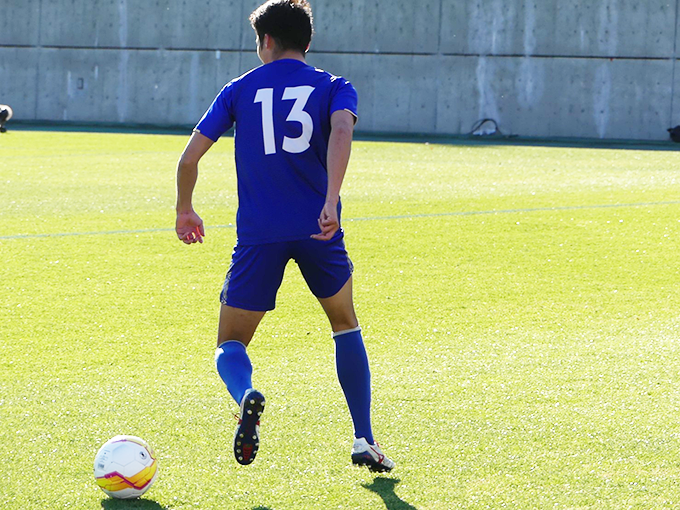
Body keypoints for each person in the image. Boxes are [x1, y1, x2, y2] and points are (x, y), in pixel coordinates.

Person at [175, 0, 394, 472]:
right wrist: (331, 199)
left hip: (259, 235)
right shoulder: (335, 86)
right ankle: (363, 438)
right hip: (319, 228)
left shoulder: (237, 90)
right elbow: (340, 131)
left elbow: (188, 159)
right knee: (345, 323)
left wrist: (185, 209)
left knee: (230, 344)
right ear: (307, 42)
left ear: (267, 41)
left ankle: (246, 393)